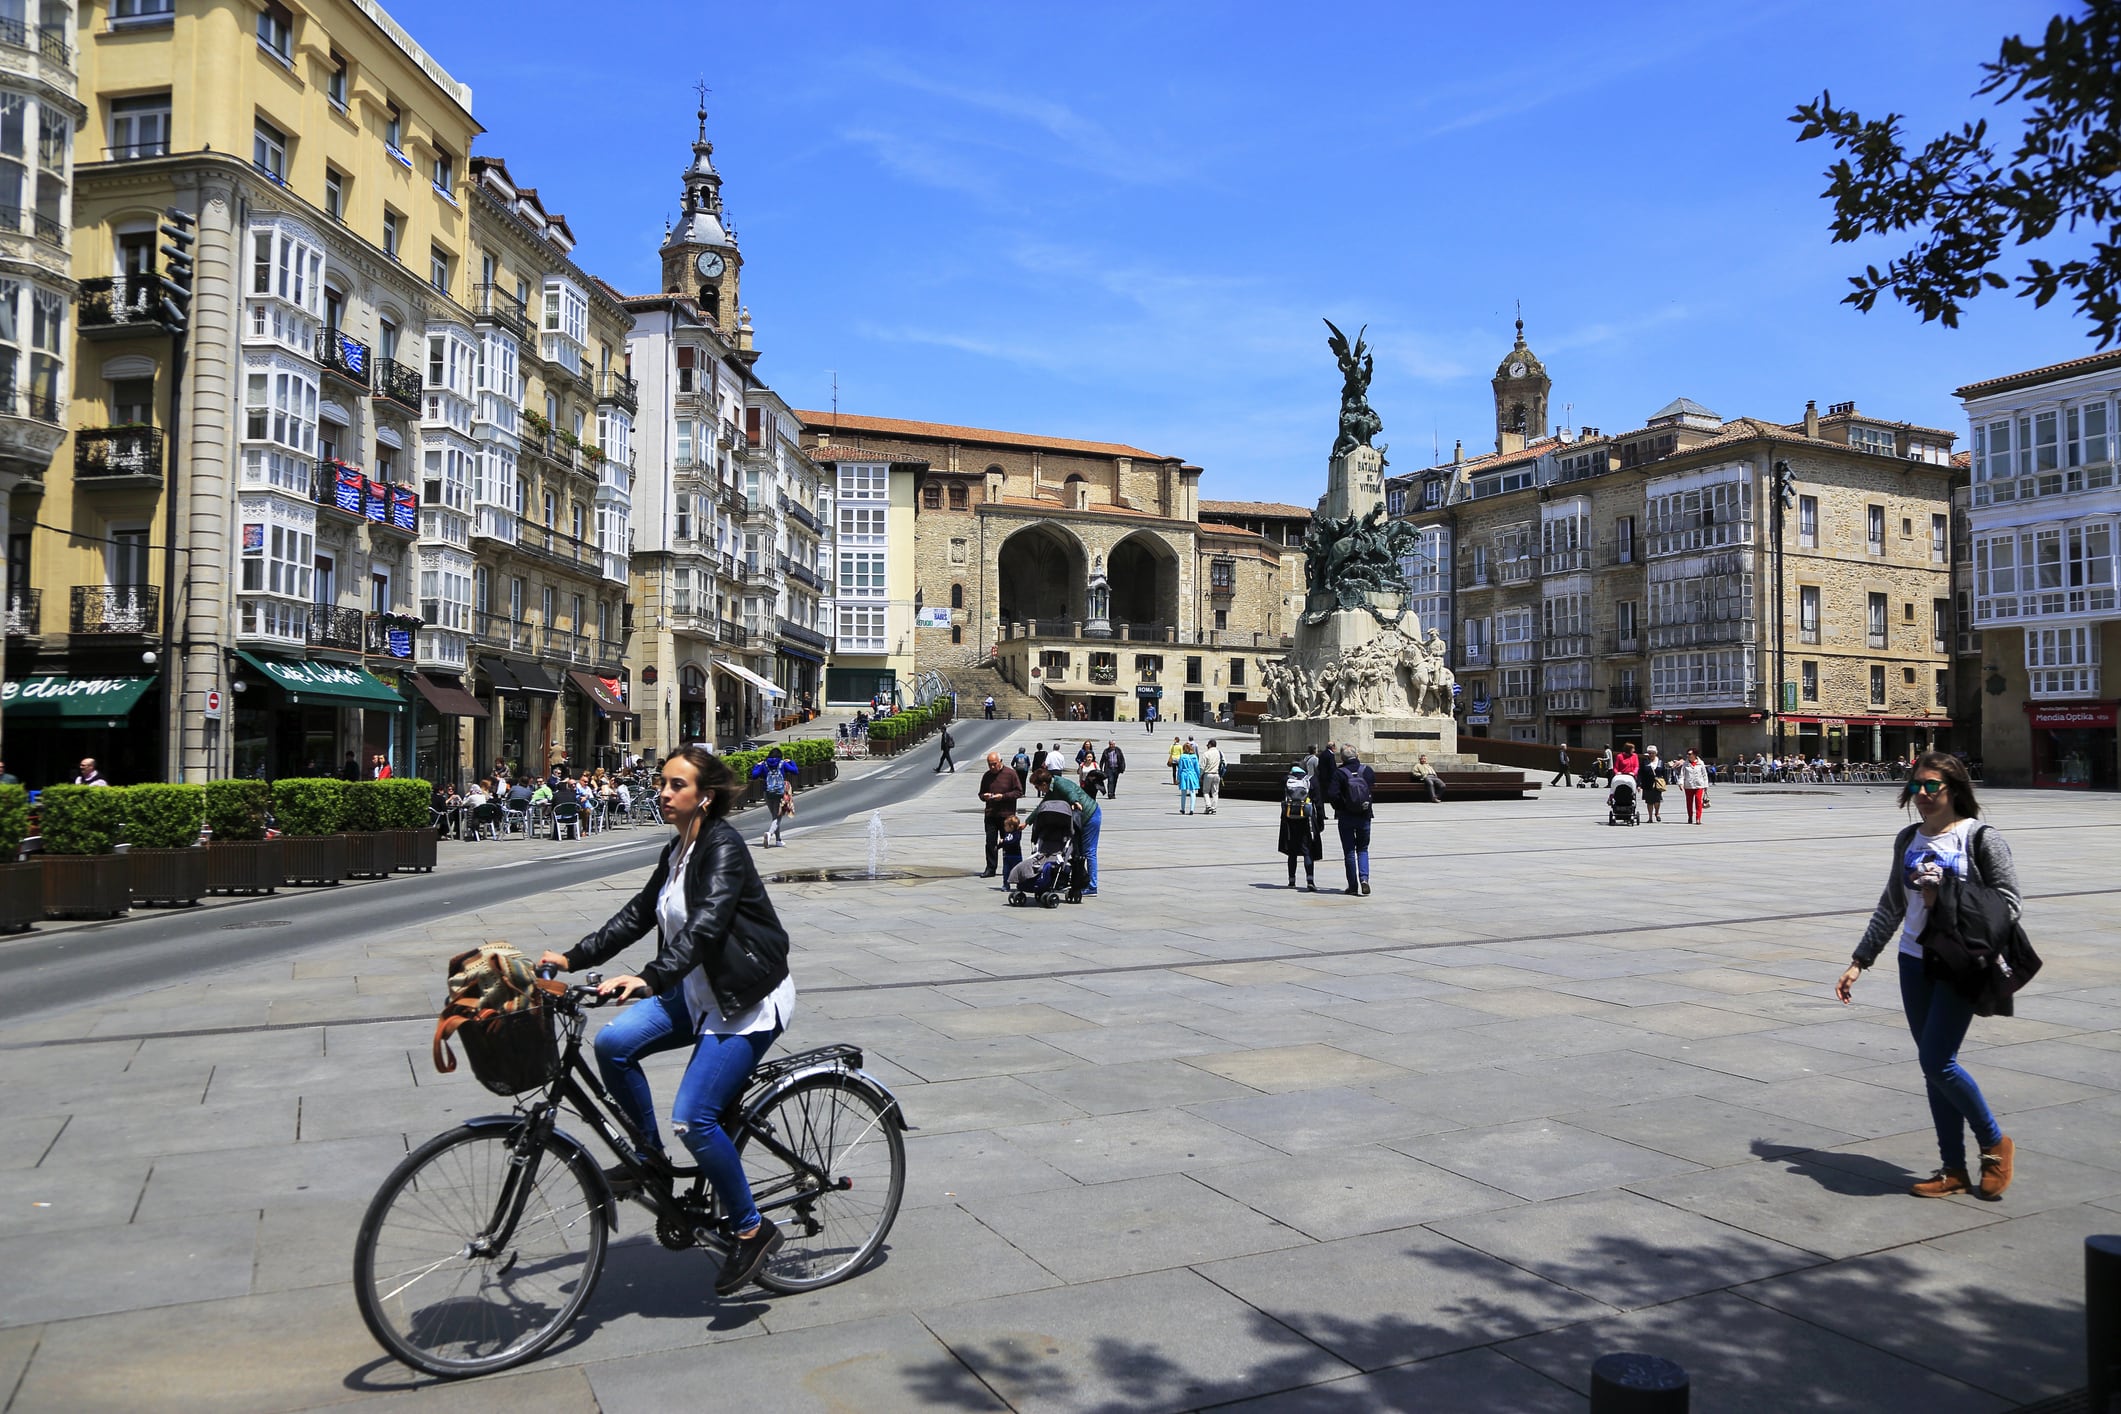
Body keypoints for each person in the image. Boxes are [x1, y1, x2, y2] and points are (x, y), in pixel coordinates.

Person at [538, 747, 794, 1295]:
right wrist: (572, 957)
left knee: (695, 1118)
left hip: (741, 1000)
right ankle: (646, 1158)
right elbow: (636, 914)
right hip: (692, 993)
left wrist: (649, 978)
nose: (662, 792)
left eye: (676, 784)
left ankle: (752, 1230)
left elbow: (706, 927)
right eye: (661, 783)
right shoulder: (676, 851)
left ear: (704, 796)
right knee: (612, 1045)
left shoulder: (723, 847)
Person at [1835, 753, 2018, 1201]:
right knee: (1932, 1069)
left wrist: (1948, 897)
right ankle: (1952, 1169)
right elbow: (1892, 905)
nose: (1921, 795)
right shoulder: (1908, 839)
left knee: (1938, 1061)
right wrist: (1861, 960)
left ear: (1954, 789)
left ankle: (1994, 1142)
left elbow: (2009, 904)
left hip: (1959, 962)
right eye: (1916, 786)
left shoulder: (1979, 839)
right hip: (1913, 961)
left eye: (1931, 786)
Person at [1030, 766, 1100, 900]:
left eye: (1036, 787)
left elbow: (1071, 791)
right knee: (1077, 853)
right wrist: (1027, 822)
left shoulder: (1060, 784)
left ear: (1044, 784)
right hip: (1078, 819)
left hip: (1090, 815)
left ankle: (1092, 886)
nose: (1037, 790)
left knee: (1089, 852)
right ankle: (1078, 881)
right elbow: (1042, 806)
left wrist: (1075, 801)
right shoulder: (1051, 790)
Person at [1324, 747, 1375, 896]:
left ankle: (1352, 886)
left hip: (1346, 816)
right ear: (1357, 755)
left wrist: (1341, 807)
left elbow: (1332, 794)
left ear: (1342, 759)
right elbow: (1371, 788)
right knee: (1363, 849)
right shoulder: (1367, 770)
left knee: (1349, 852)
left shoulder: (1339, 773)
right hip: (1364, 815)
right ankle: (1364, 879)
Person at [978, 751, 1023, 878]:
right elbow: (981, 793)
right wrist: (985, 797)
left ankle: (1011, 868)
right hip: (991, 814)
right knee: (990, 842)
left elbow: (1019, 792)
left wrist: (1003, 797)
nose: (992, 767)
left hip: (1006, 815)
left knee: (1009, 842)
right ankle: (990, 868)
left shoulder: (1010, 774)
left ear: (1000, 761)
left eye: (994, 764)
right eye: (989, 765)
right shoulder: (987, 776)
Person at [1277, 764, 1321, 890]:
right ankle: (1310, 880)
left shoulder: (1286, 780)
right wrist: (1320, 822)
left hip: (1289, 819)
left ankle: (1292, 880)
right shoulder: (1309, 780)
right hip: (1306, 819)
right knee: (1307, 850)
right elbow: (1318, 802)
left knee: (1292, 852)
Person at [751, 747, 798, 847]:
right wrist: (791, 762)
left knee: (774, 816)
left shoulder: (764, 764)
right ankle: (769, 834)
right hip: (780, 793)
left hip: (767, 793)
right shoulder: (782, 763)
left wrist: (757, 765)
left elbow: (754, 775)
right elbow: (795, 771)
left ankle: (778, 840)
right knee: (778, 817)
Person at [1678, 748, 1711, 824]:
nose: (1688, 755)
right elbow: (1682, 775)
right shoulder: (1685, 764)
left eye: (1690, 754)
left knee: (1698, 800)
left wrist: (1706, 785)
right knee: (1689, 802)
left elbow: (1704, 775)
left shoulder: (1701, 763)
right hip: (1688, 785)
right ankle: (1690, 816)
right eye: (1687, 754)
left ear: (1695, 755)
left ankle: (1698, 818)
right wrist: (1680, 783)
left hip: (1699, 785)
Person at [1174, 742, 1203, 815]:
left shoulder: (1182, 756)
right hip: (1192, 774)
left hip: (1184, 775)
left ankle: (1183, 809)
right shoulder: (1194, 757)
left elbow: (1180, 768)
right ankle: (1192, 809)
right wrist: (1198, 776)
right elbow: (1197, 768)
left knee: (1183, 792)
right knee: (1192, 792)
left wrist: (1178, 778)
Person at [1640, 747, 1667, 823]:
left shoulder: (1660, 762)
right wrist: (1639, 784)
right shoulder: (1645, 762)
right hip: (1647, 784)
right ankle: (1650, 817)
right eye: (1650, 753)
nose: (1651, 755)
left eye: (1653, 753)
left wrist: (1665, 782)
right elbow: (1641, 773)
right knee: (1649, 801)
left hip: (1657, 784)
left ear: (1656, 753)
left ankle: (1657, 812)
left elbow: (1664, 772)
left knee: (1657, 800)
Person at [997, 812, 1024, 884]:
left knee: (1018, 871)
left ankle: (1020, 884)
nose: (1004, 827)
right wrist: (998, 846)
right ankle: (1006, 884)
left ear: (1011, 826)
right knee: (1006, 871)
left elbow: (1013, 842)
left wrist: (1004, 841)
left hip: (1016, 856)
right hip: (1007, 856)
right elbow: (1005, 843)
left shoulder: (1017, 833)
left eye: (1006, 826)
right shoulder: (1007, 833)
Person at [1200, 740, 1224, 814]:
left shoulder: (1206, 753)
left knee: (1206, 791)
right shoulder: (1220, 753)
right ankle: (1214, 808)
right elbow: (1224, 763)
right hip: (1217, 774)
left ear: (1210, 745)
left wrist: (1200, 775)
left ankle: (1208, 806)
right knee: (1215, 792)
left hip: (1208, 774)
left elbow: (1202, 766)